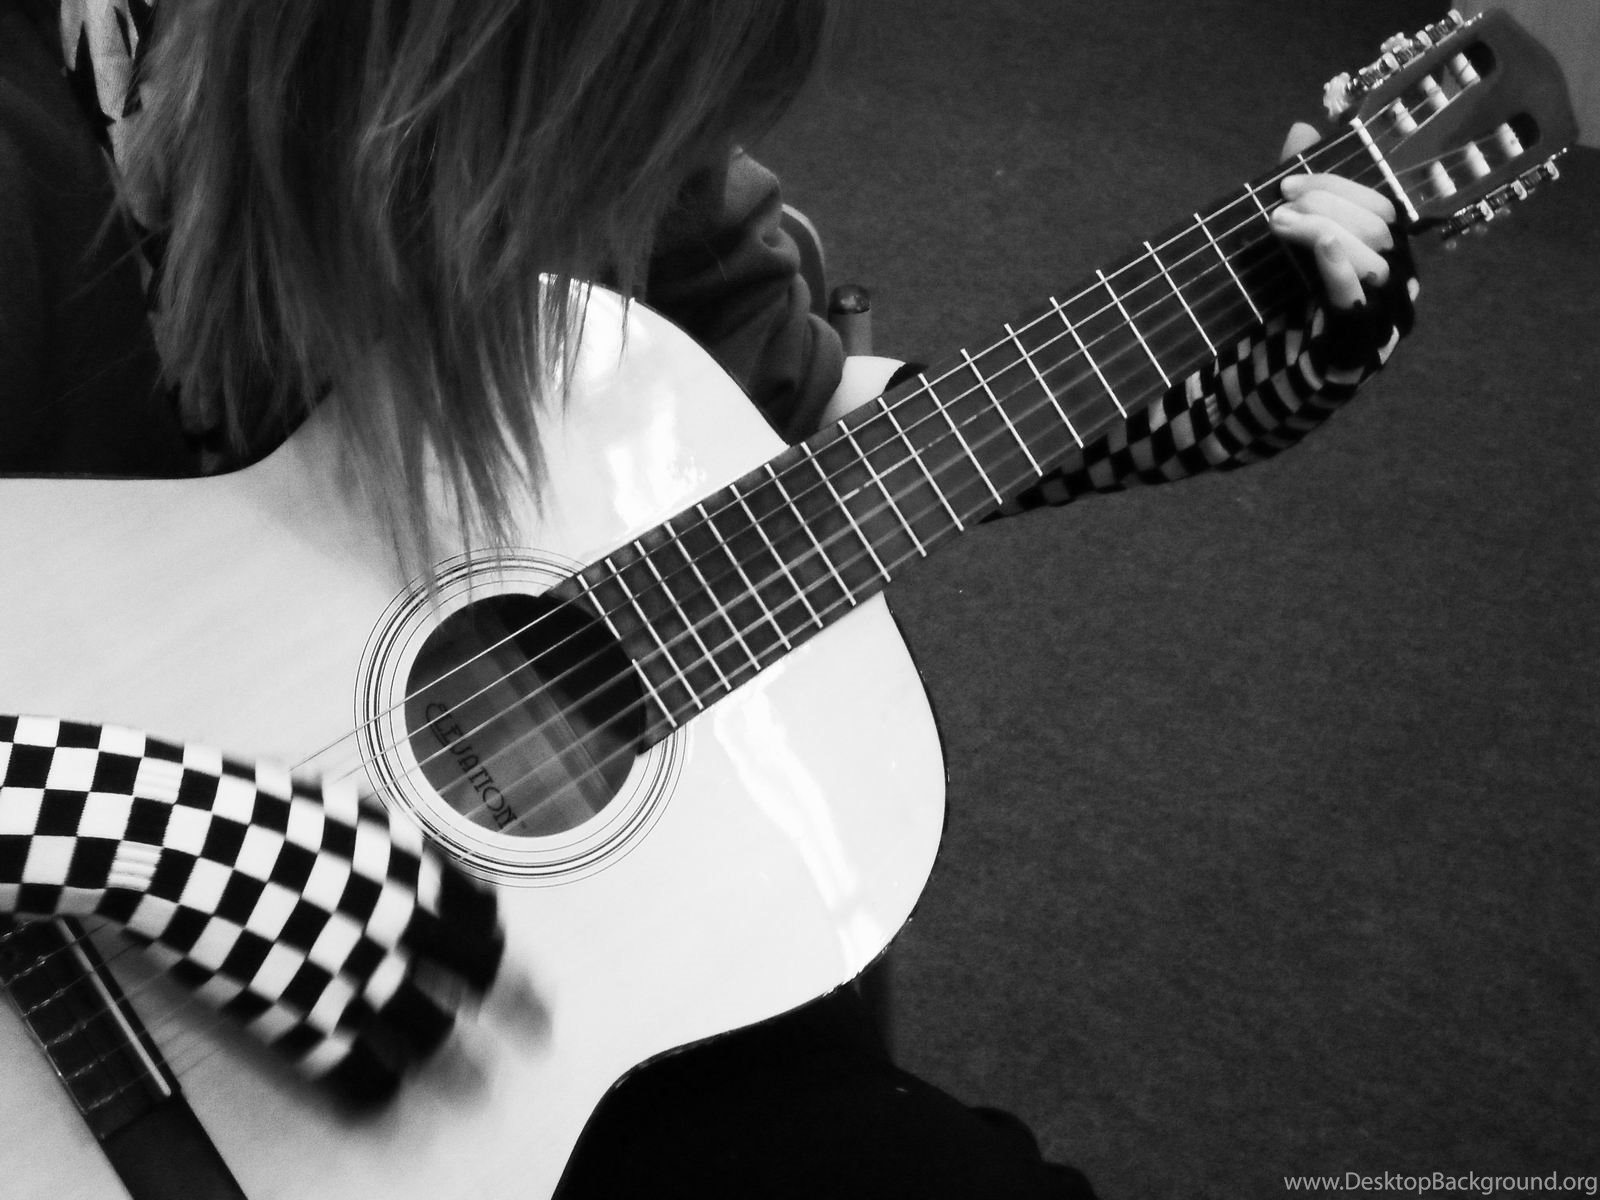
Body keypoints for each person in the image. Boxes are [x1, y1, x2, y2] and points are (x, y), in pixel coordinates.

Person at [0, 1, 1415, 1195]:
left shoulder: (580, 109)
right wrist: (147, 828)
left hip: (446, 982)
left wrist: (1208, 403)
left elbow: (782, 416)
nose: (647, 179)